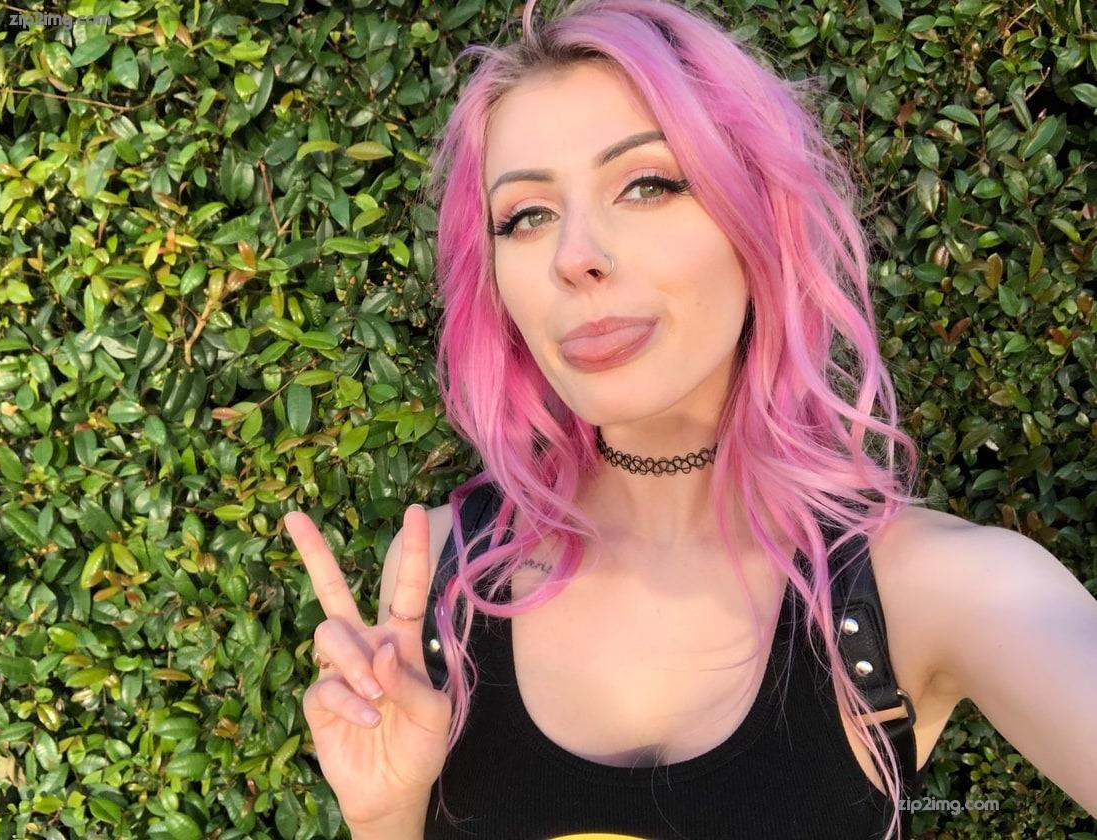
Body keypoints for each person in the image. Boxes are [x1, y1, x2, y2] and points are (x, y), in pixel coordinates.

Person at [282, 0, 1097, 837]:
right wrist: (386, 814)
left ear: (756, 217)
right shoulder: (445, 581)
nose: (574, 256)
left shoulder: (939, 591)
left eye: (648, 185)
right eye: (526, 216)